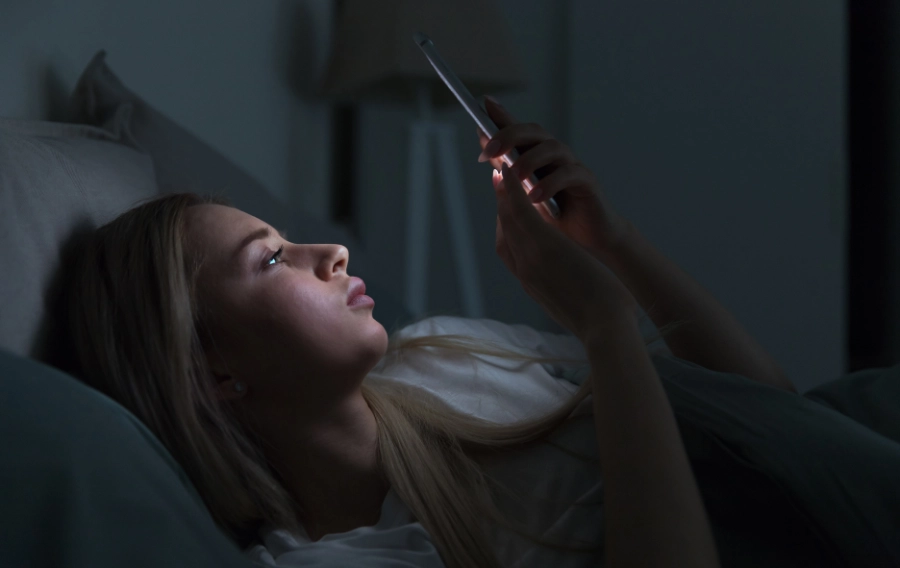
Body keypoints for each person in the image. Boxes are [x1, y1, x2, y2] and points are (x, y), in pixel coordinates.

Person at [62, 95, 813, 568]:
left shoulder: (446, 352)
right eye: (270, 259)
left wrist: (615, 242)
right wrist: (605, 322)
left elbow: (784, 421)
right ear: (212, 373)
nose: (331, 254)